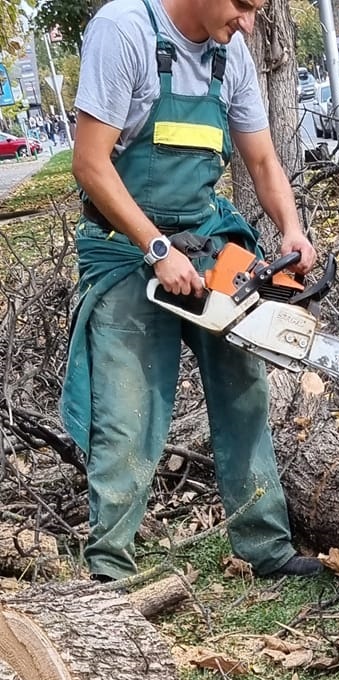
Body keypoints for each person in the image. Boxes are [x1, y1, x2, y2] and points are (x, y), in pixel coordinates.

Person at [61, 0, 324, 583]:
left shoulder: (231, 55)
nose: (249, 22)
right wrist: (156, 249)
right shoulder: (123, 30)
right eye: (243, 6)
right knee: (129, 412)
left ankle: (264, 545)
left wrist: (292, 229)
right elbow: (89, 163)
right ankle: (110, 572)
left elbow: (260, 157)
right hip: (125, 247)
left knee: (243, 388)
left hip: (203, 242)